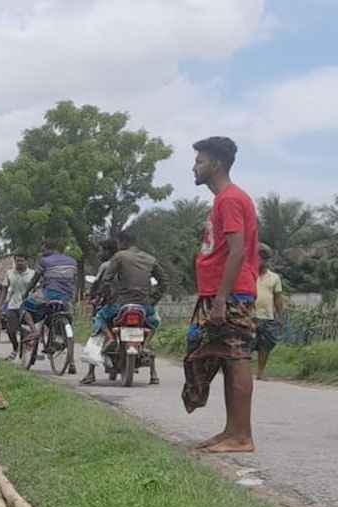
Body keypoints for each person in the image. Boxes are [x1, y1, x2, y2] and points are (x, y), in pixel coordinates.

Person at [184, 136, 260, 454]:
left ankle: (242, 436)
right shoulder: (222, 200)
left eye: (200, 161)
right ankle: (232, 430)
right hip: (220, 292)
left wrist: (220, 298)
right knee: (224, 358)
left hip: (231, 295)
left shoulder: (229, 199)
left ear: (216, 164)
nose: (194, 167)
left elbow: (238, 250)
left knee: (237, 357)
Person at [80, 230, 166, 385]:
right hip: (144, 307)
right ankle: (146, 348)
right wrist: (152, 300)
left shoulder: (118, 257)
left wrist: (108, 298)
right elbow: (164, 282)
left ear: (122, 242)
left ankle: (111, 340)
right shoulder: (150, 259)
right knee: (153, 323)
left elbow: (106, 280)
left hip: (121, 305)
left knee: (100, 318)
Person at [22, 240, 79, 374]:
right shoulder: (72, 261)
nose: (42, 252)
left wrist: (26, 292)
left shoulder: (44, 261)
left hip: (49, 295)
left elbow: (35, 278)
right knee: (67, 325)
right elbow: (73, 280)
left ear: (49, 249)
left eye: (43, 250)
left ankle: (34, 330)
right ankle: (71, 363)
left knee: (25, 307)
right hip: (67, 297)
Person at [254, 244, 285, 381]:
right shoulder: (248, 273)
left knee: (266, 345)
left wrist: (279, 316)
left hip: (267, 317)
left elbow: (278, 298)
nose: (261, 261)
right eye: (259, 258)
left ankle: (260, 372)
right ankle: (239, 372)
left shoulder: (275, 278)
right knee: (245, 344)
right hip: (249, 315)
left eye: (264, 259)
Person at [2, 255, 35, 359]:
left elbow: (37, 289)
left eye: (21, 261)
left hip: (27, 306)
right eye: (17, 261)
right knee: (10, 330)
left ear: (26, 261)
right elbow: (4, 289)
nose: (19, 263)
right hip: (13, 305)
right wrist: (1, 305)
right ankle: (15, 348)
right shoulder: (9, 273)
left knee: (25, 327)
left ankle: (28, 348)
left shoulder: (32, 274)